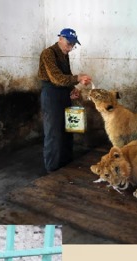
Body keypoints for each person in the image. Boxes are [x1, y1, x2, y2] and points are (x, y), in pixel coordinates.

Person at [38, 28, 93, 173]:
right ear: (60, 38)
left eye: (73, 45)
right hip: (51, 94)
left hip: (63, 93)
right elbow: (56, 78)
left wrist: (72, 90)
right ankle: (53, 168)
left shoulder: (64, 54)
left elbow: (66, 76)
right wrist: (78, 78)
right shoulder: (48, 53)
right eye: (68, 44)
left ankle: (66, 162)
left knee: (67, 129)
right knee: (54, 131)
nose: (70, 48)